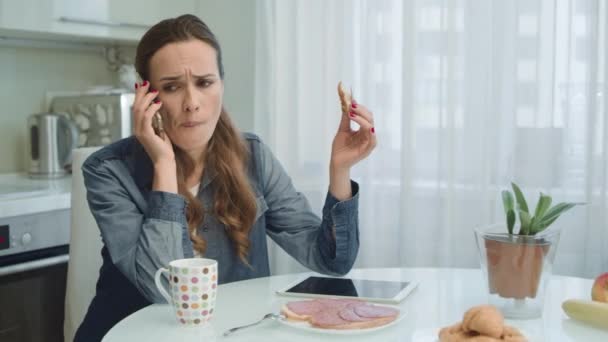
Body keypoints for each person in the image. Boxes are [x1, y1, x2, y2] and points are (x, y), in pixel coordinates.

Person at [74, 14, 377, 341]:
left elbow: (332, 262)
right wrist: (163, 165)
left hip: (229, 333)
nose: (192, 103)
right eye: (172, 87)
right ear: (147, 96)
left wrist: (340, 171)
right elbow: (161, 291)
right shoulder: (107, 170)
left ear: (221, 84)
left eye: (204, 83)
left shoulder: (254, 157)